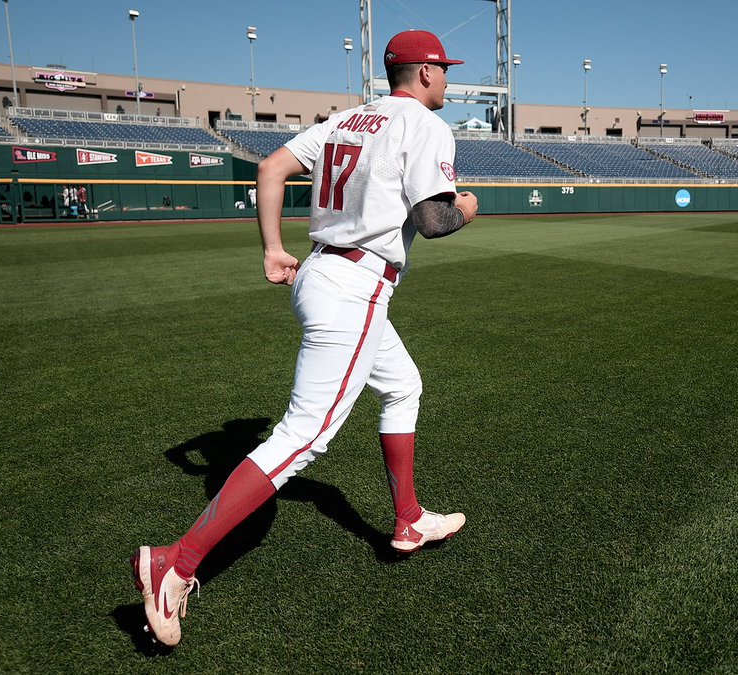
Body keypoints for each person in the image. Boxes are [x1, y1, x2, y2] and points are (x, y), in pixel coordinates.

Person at [130, 29, 479, 648]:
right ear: (423, 73)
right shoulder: (425, 125)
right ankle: (174, 562)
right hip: (356, 283)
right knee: (304, 437)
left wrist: (271, 248)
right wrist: (468, 208)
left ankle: (408, 520)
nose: (447, 80)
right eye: (444, 71)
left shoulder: (348, 119)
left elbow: (270, 167)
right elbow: (433, 219)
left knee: (403, 385)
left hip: (319, 269)